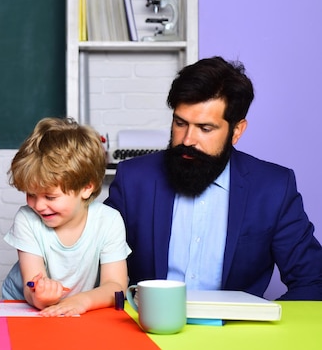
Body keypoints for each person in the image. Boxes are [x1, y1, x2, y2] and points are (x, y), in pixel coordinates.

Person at [104, 56, 322, 300]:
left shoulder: (273, 189)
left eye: (205, 129)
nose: (187, 140)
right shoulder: (133, 180)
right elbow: (93, 267)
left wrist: (260, 327)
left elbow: (313, 280)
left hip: (235, 335)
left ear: (236, 131)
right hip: (146, 332)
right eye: (180, 123)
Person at [2, 117, 131, 316]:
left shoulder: (109, 221)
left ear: (87, 187)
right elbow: (30, 287)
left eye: (50, 196)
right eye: (31, 194)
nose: (38, 205)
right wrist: (40, 295)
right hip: (23, 306)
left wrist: (82, 301)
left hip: (79, 309)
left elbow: (115, 286)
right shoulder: (27, 219)